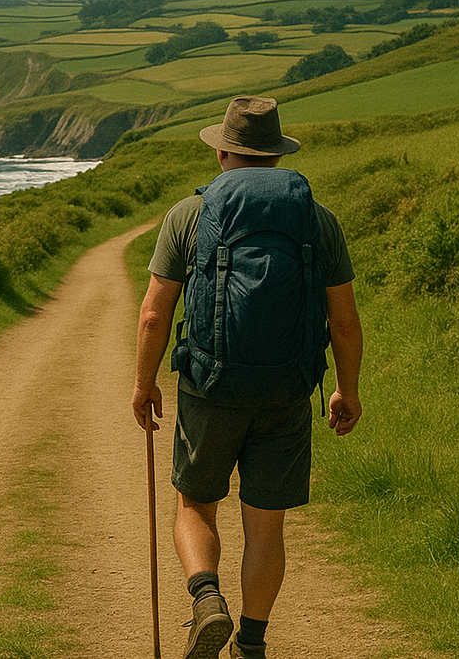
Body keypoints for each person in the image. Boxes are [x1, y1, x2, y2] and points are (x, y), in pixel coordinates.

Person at [131, 96, 363, 659]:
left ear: (222, 153)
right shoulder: (317, 219)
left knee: (195, 504)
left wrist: (144, 383)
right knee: (265, 526)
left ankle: (207, 599)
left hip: (209, 388)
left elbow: (154, 314)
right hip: (287, 390)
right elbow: (344, 321)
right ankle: (252, 644)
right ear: (278, 154)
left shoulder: (190, 215)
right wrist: (346, 389)